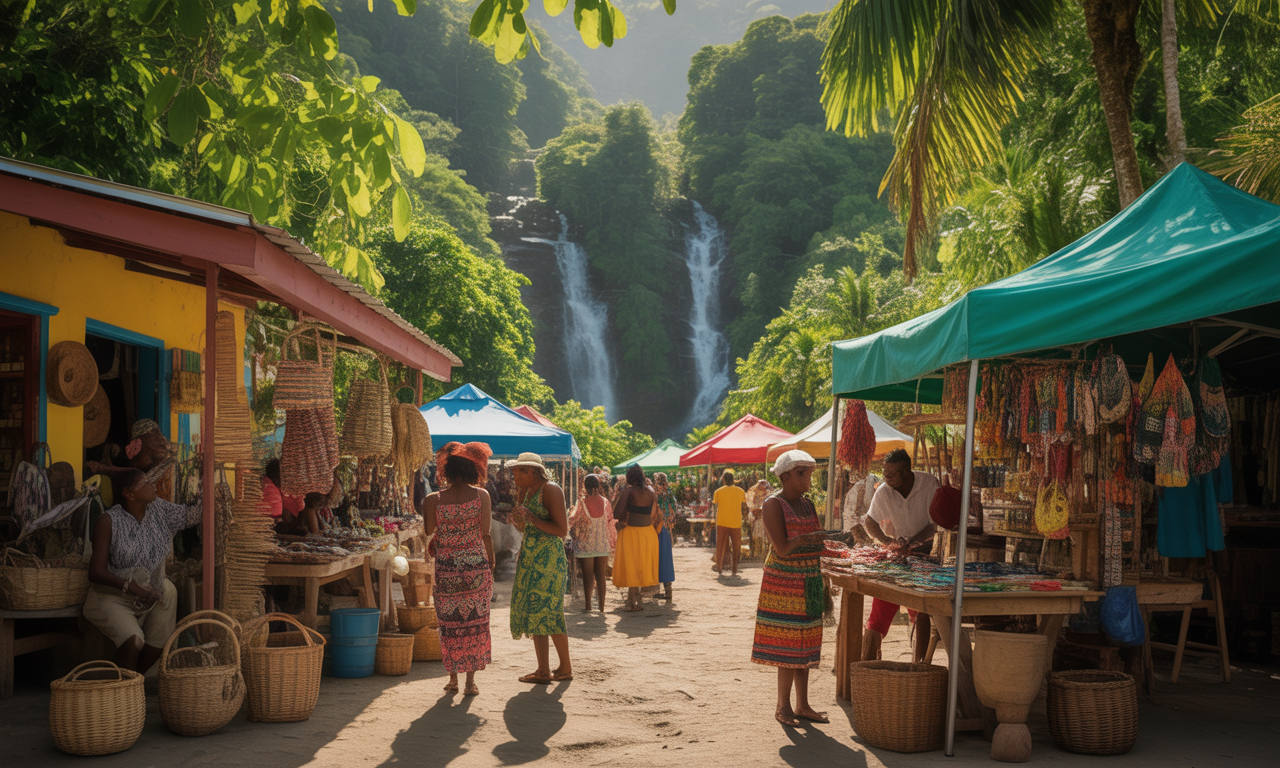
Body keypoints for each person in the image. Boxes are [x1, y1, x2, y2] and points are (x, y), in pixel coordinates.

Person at [84, 468, 201, 673]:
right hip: (112, 596)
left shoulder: (160, 510)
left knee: (168, 591)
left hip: (149, 592)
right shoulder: (108, 521)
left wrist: (208, 489)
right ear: (129, 494)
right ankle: (123, 685)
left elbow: (193, 515)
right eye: (145, 483)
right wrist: (132, 588)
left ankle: (131, 680)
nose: (152, 485)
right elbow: (96, 572)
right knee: (134, 641)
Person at [751, 450, 830, 727]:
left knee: (806, 642)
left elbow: (817, 541)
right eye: (802, 473)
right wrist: (809, 538)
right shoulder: (773, 504)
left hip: (810, 578)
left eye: (809, 472)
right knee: (787, 644)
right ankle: (782, 706)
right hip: (784, 582)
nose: (808, 477)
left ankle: (803, 704)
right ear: (785, 476)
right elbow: (782, 548)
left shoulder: (807, 505)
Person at [423, 441, 495, 696]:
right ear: (474, 470)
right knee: (475, 623)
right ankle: (470, 682)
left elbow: (429, 529)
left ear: (447, 470)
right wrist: (491, 563)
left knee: (449, 624)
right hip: (476, 568)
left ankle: (452, 678)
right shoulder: (481, 496)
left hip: (447, 569)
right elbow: (485, 533)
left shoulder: (433, 499)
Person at [861, 448, 940, 659]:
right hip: (900, 557)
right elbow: (870, 522)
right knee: (880, 609)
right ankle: (869, 663)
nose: (885, 478)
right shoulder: (883, 491)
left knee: (921, 612)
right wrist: (889, 542)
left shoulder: (929, 483)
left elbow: (935, 523)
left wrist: (914, 543)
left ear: (905, 472)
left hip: (927, 555)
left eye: (890, 475)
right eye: (884, 474)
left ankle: (919, 665)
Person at [508, 452, 572, 683]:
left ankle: (565, 667)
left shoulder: (551, 489)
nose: (514, 475)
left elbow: (561, 530)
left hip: (549, 561)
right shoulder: (525, 492)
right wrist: (519, 520)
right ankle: (543, 670)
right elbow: (528, 528)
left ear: (532, 472)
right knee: (535, 611)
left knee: (550, 611)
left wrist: (533, 519)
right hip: (530, 558)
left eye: (518, 471)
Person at [611, 464, 660, 611]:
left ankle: (632, 601)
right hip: (648, 533)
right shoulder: (651, 490)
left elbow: (616, 513)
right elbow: (653, 514)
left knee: (631, 564)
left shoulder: (628, 490)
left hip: (631, 532)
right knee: (641, 565)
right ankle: (636, 598)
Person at [568, 474, 612, 611]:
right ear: (598, 486)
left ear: (585, 487)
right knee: (601, 576)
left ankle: (588, 606)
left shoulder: (582, 503)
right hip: (602, 543)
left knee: (588, 577)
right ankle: (602, 607)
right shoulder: (606, 502)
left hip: (586, 544)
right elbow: (610, 520)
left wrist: (570, 512)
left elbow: (572, 520)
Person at [713, 469, 747, 575]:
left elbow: (715, 506)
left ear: (723, 480)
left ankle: (719, 567)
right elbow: (744, 506)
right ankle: (734, 568)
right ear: (733, 480)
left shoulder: (718, 491)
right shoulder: (740, 491)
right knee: (736, 547)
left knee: (720, 546)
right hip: (736, 522)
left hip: (722, 521)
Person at [653, 472, 677, 600]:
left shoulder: (656, 494)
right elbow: (674, 511)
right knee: (666, 558)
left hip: (657, 529)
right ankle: (668, 591)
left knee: (658, 557)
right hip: (666, 529)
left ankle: (656, 589)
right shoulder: (670, 494)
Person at [745, 478, 773, 559]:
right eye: (761, 484)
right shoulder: (754, 493)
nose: (762, 486)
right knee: (757, 536)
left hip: (766, 517)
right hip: (757, 517)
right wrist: (756, 512)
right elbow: (752, 506)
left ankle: (765, 553)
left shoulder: (769, 494)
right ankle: (757, 552)